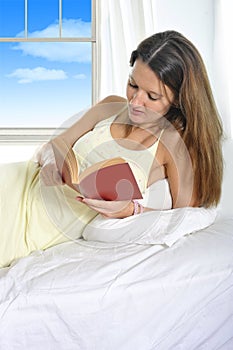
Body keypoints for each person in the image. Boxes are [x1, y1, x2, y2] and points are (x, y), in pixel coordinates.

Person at [0, 30, 223, 268]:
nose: (136, 101)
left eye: (152, 96)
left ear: (179, 99)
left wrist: (130, 209)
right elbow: (56, 144)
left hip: (42, 225)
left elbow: (185, 218)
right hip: (19, 184)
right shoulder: (110, 106)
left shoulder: (175, 146)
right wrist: (52, 162)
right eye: (133, 84)